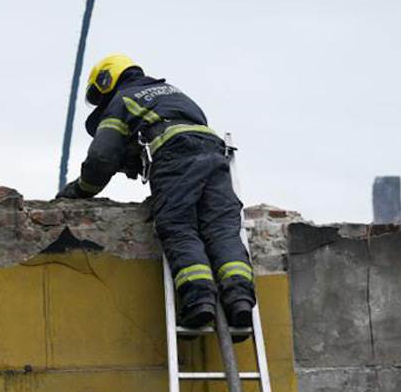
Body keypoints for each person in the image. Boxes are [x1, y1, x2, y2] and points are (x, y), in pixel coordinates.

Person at [58, 53, 255, 332]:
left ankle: (198, 301)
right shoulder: (175, 94)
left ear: (107, 80)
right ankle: (239, 300)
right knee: (221, 228)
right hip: (214, 155)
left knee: (178, 226)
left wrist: (79, 190)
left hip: (175, 157)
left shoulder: (122, 100)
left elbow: (102, 158)